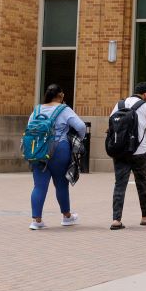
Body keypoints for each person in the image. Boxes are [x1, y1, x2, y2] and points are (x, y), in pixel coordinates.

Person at [29, 84, 87, 230]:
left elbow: (30, 127)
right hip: (59, 149)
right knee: (61, 184)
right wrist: (78, 139)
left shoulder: (37, 109)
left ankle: (36, 220)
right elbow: (80, 126)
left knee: (39, 186)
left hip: (38, 150)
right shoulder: (64, 109)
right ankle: (66, 216)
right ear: (60, 96)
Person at [110, 81, 146, 230]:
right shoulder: (145, 106)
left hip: (120, 151)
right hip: (139, 151)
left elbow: (111, 124)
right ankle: (145, 217)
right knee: (142, 183)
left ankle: (116, 220)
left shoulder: (119, 104)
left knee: (119, 184)